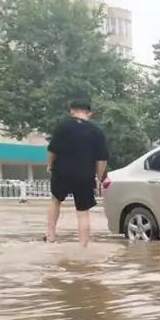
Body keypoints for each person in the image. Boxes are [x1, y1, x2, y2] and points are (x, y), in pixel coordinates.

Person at [45, 98, 109, 245]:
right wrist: (100, 177)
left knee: (55, 201)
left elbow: (52, 150)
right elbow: (102, 159)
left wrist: (49, 165)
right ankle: (83, 246)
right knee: (83, 212)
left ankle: (50, 237)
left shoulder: (63, 127)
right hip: (84, 174)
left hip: (62, 170)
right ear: (89, 113)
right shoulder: (97, 132)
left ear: (72, 111)